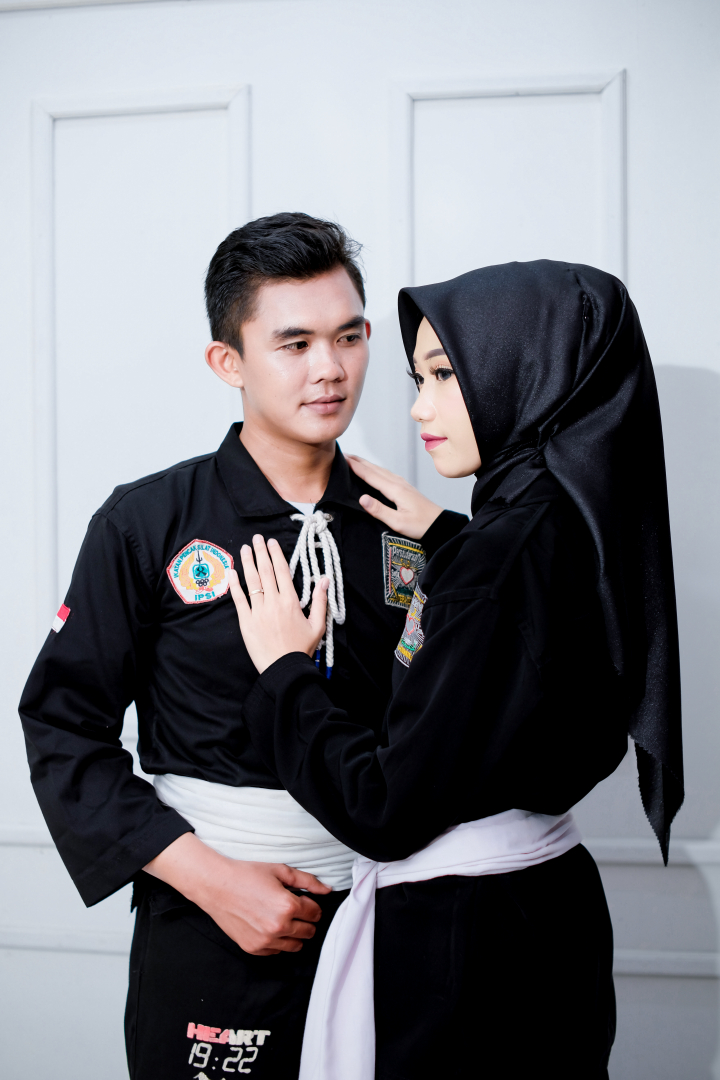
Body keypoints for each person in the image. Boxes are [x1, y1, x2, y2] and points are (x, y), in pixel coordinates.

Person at [19, 212, 456, 1080]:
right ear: (229, 361)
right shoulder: (147, 522)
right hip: (211, 925)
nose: (330, 368)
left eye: (350, 336)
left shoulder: (408, 525)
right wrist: (212, 880)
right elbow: (63, 727)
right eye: (294, 344)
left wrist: (454, 545)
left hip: (391, 916)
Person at [229, 259, 684, 1080]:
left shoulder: (499, 560)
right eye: (419, 378)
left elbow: (384, 808)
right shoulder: (578, 518)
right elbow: (533, 654)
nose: (419, 407)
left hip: (470, 949)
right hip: (550, 911)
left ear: (528, 370)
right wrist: (451, 540)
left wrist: (284, 669)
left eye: (445, 374)